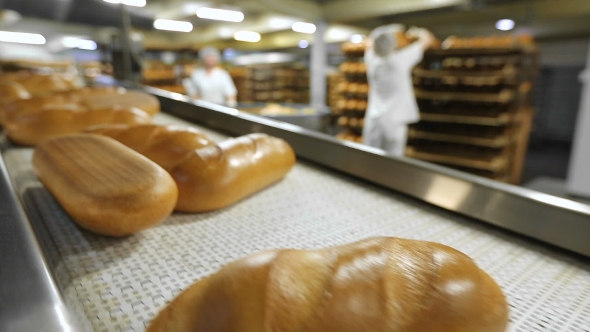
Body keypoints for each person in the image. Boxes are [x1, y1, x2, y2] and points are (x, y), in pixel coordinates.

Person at [363, 25, 435, 156]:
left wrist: (386, 31)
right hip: (394, 122)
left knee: (371, 158)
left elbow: (371, 43)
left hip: (374, 120)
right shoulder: (399, 60)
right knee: (392, 161)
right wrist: (418, 31)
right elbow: (428, 40)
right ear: (393, 43)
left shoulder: (371, 61)